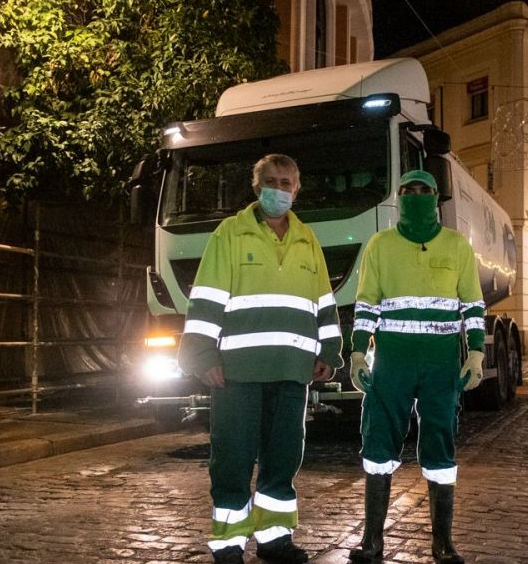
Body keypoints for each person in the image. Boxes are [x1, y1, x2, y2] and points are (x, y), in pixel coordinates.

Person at [177, 154, 343, 564]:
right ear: (256, 187)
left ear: (297, 189)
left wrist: (329, 352)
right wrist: (202, 356)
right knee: (232, 456)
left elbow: (324, 303)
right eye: (272, 181)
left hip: (292, 370)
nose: (280, 189)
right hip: (237, 372)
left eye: (287, 182)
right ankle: (229, 544)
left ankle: (274, 539)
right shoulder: (229, 235)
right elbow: (206, 300)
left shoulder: (307, 239)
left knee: (284, 457)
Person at [347, 169, 485, 564]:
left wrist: (475, 352)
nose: (416, 196)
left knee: (441, 443)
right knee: (378, 444)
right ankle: (372, 541)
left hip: (441, 363)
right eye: (408, 191)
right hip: (391, 361)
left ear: (436, 197)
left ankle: (443, 543)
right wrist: (358, 353)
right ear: (400, 198)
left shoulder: (457, 246)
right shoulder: (380, 245)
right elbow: (367, 303)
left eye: (424, 190)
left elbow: (472, 305)